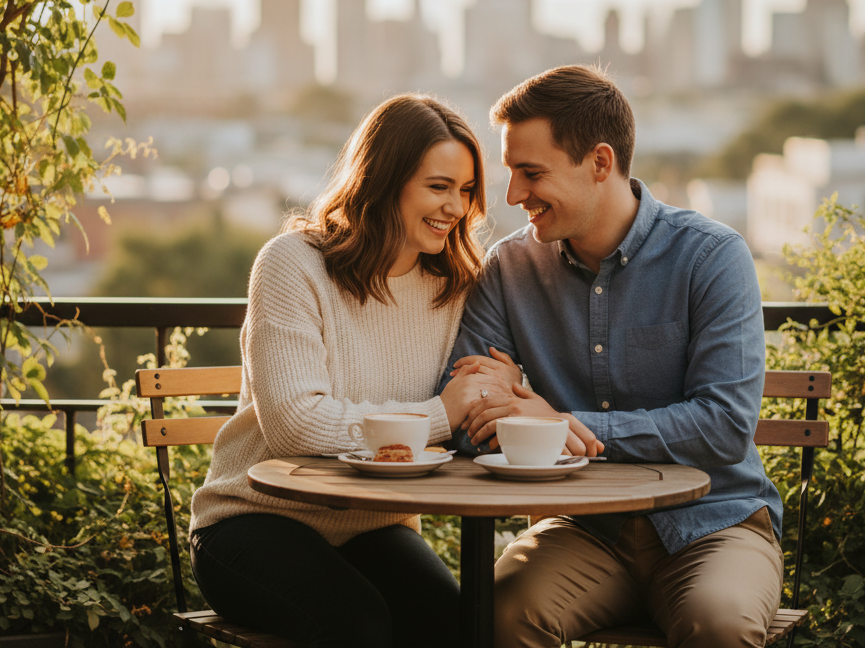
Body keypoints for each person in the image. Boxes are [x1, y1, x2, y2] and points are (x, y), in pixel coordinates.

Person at [440, 65, 784, 648]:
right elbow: (471, 421)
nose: (512, 195)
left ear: (600, 163)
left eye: (531, 173)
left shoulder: (712, 258)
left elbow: (724, 427)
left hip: (713, 524)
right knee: (494, 615)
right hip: (581, 530)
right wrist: (524, 415)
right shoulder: (507, 270)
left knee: (719, 626)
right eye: (510, 173)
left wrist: (561, 425)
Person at [190, 94, 503, 648]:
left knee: (458, 626)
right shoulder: (293, 264)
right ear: (384, 181)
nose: (456, 207)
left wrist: (506, 385)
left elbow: (479, 393)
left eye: (467, 190)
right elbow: (295, 425)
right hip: (253, 518)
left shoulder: (454, 285)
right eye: (438, 186)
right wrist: (441, 412)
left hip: (373, 523)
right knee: (356, 627)